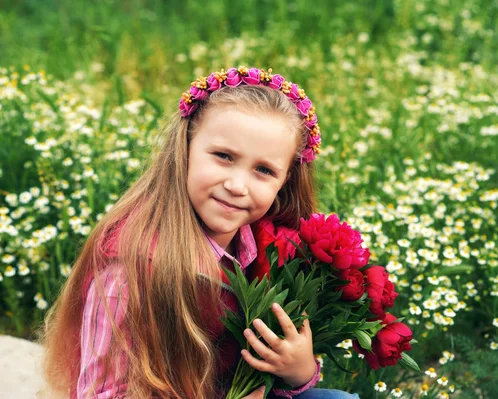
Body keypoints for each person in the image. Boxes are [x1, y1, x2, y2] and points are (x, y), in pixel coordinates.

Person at [40, 67, 358, 399]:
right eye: (224, 156)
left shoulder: (269, 248)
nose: (237, 186)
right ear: (186, 149)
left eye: (264, 170)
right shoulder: (132, 269)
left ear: (286, 180)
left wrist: (299, 370)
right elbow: (102, 393)